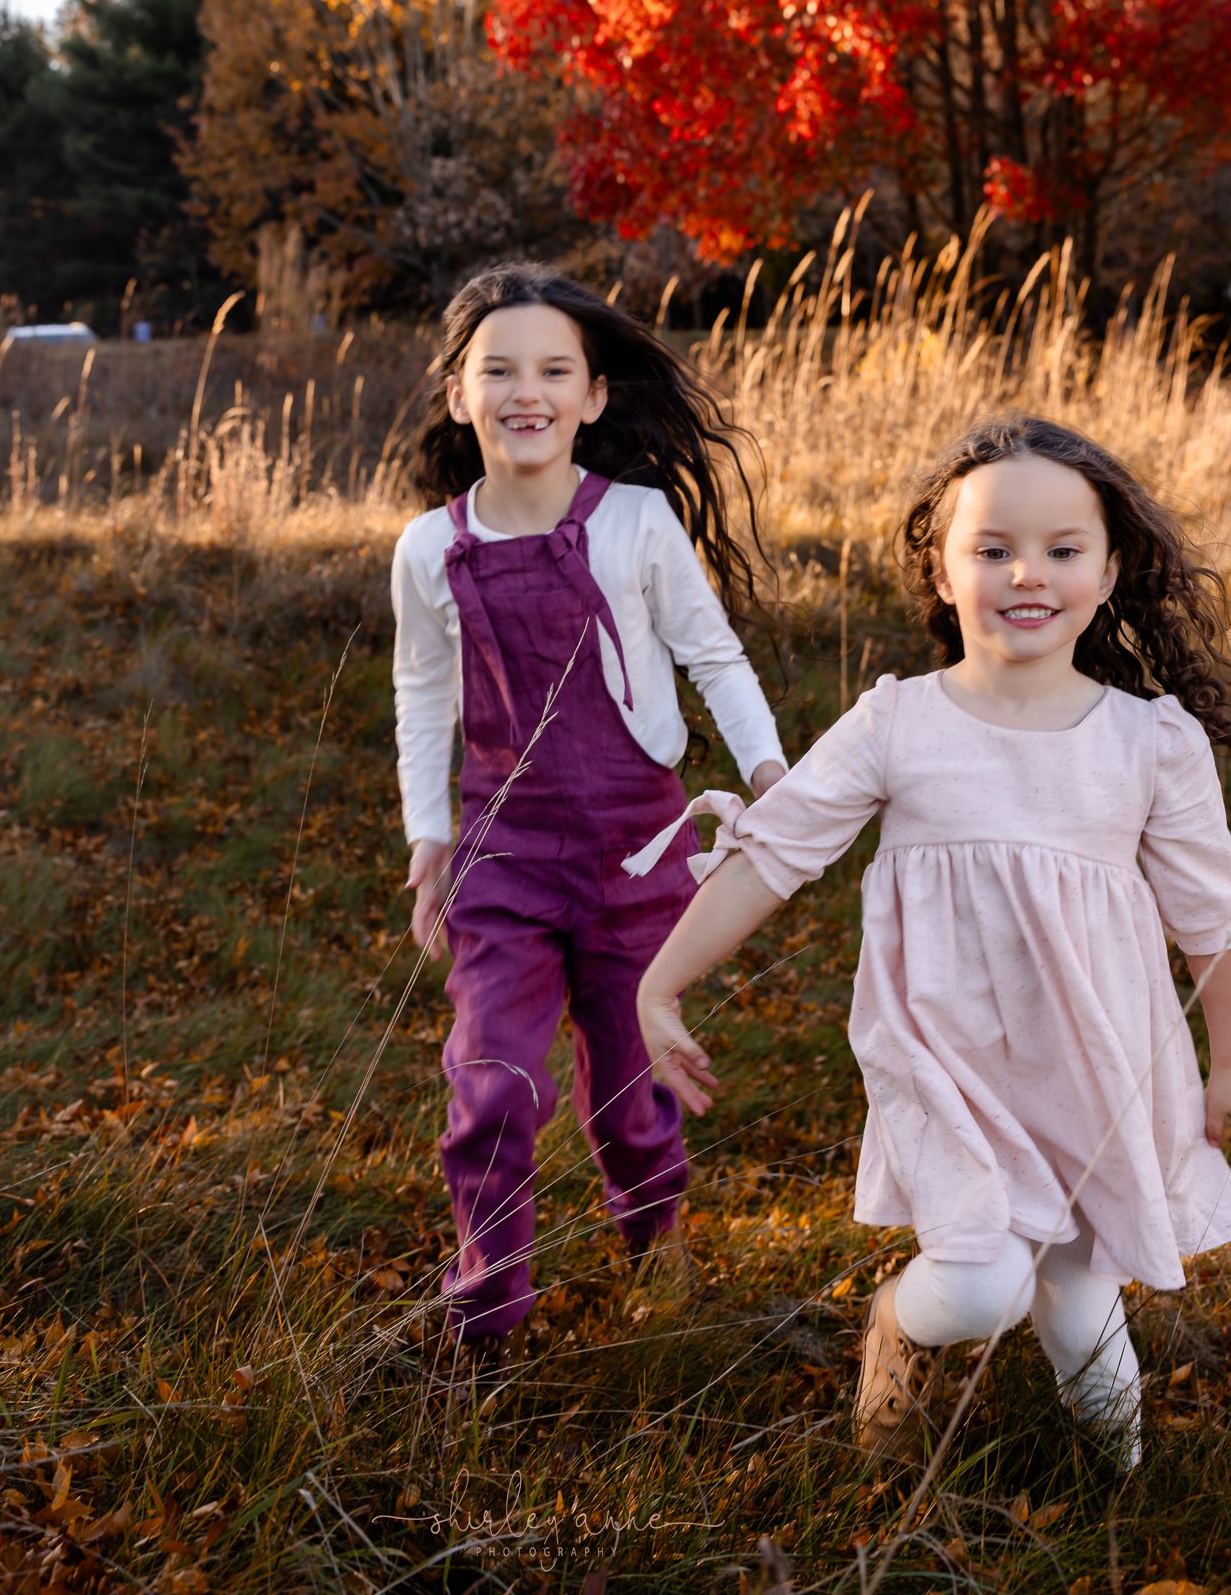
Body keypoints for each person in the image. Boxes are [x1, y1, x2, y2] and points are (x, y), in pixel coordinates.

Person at [634, 414, 1231, 1468]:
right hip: (944, 1057)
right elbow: (775, 855)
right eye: (992, 548)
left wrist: (1227, 1065)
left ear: (1111, 567)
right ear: (942, 569)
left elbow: (1211, 926)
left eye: (1062, 548)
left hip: (1097, 1060)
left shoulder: (1151, 741)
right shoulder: (900, 722)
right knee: (982, 1278)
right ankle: (897, 1331)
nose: (1026, 574)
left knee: (1082, 1293)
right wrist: (661, 984)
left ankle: (1121, 1495)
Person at [392, 262, 785, 1364]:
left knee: (628, 1084)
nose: (528, 389)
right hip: (500, 854)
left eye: (555, 369)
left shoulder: (638, 521)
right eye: (498, 368)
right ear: (459, 394)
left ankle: (656, 1235)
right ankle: (485, 1312)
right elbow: (422, 693)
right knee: (492, 1082)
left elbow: (712, 650)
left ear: (594, 396)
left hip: (635, 846)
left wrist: (768, 772)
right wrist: (430, 837)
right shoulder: (431, 547)